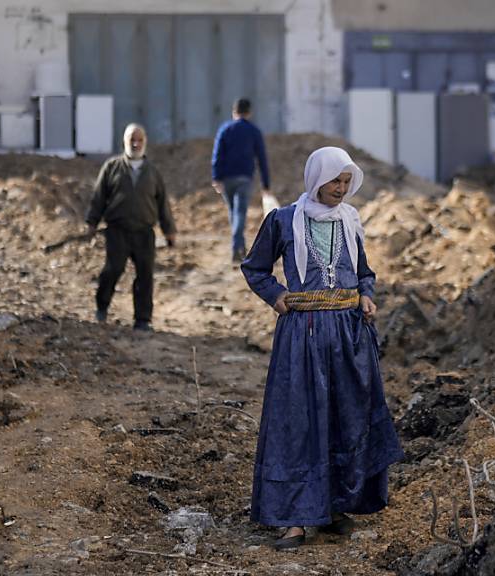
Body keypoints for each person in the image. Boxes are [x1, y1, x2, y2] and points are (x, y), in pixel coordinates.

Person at [241, 146, 404, 550]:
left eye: (347, 181)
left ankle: (334, 509)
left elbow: (364, 272)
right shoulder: (283, 220)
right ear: (316, 179)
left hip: (349, 336)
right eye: (335, 180)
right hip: (304, 335)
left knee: (345, 418)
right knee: (299, 422)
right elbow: (255, 268)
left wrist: (366, 294)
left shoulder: (350, 221)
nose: (341, 188)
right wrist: (277, 296)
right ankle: (294, 518)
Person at [86, 124, 176, 331]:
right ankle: (101, 307)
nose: (135, 144)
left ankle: (142, 319)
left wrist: (169, 230)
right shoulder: (112, 167)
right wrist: (92, 222)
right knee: (113, 269)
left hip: (144, 232)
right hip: (117, 231)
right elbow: (98, 197)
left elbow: (162, 204)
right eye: (131, 140)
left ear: (145, 142)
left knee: (145, 274)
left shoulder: (153, 172)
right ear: (124, 142)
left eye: (140, 140)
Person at [212, 98, 271, 262]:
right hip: (244, 178)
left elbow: (217, 154)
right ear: (249, 112)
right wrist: (266, 184)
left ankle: (240, 248)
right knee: (239, 214)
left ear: (234, 111)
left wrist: (216, 177)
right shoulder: (253, 131)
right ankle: (236, 249)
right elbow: (262, 159)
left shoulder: (225, 129)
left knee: (234, 213)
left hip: (226, 179)